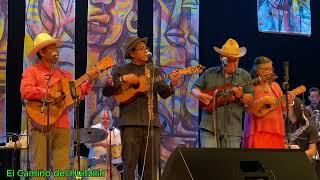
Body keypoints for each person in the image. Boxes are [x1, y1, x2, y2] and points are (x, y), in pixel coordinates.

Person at [20, 33, 98, 178]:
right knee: (40, 170)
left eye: (56, 47)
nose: (56, 50)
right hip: (40, 125)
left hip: (63, 125)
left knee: (62, 171)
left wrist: (90, 80)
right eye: (51, 48)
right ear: (42, 52)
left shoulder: (65, 75)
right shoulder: (32, 71)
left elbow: (77, 95)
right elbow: (26, 91)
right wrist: (49, 93)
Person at [102, 36, 180, 180]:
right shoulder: (121, 69)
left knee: (150, 167)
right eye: (142, 49)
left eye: (147, 48)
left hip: (151, 124)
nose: (146, 51)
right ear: (132, 53)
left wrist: (173, 84)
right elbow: (107, 91)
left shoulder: (154, 71)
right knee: (129, 165)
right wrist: (124, 79)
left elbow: (164, 93)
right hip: (130, 123)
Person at [191, 38, 254, 148]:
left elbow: (251, 99)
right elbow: (194, 88)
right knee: (210, 163)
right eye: (231, 60)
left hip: (233, 131)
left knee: (230, 164)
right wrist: (200, 95)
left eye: (236, 60)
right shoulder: (210, 73)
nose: (235, 64)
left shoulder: (244, 75)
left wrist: (241, 96)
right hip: (209, 128)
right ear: (222, 58)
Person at [243, 56, 294, 148]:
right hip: (257, 132)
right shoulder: (250, 87)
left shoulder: (275, 86)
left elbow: (286, 112)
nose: (268, 72)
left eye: (270, 69)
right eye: (265, 69)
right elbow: (247, 109)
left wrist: (289, 102)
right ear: (256, 70)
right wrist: (263, 100)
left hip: (276, 133)